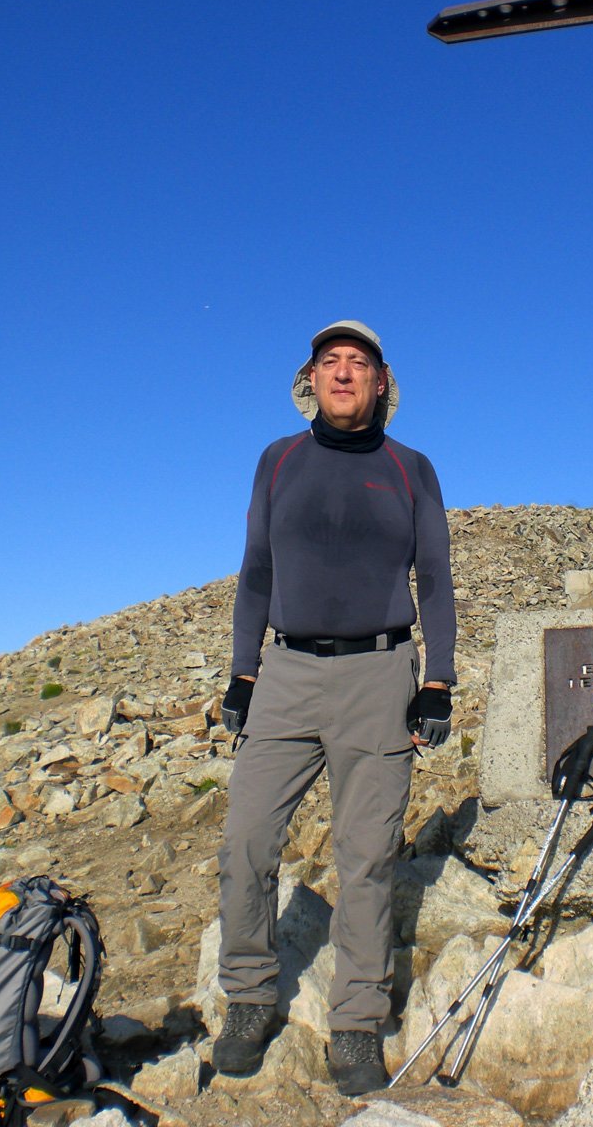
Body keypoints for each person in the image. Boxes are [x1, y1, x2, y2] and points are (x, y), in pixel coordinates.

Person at [211, 320, 456, 1095]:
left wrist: (438, 680)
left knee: (368, 858)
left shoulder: (411, 467)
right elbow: (255, 571)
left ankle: (355, 1022)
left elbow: (438, 580)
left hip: (379, 677)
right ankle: (249, 996)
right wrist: (243, 672)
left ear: (383, 382)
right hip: (283, 673)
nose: (344, 373)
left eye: (359, 363)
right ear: (309, 380)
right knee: (247, 841)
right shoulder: (277, 461)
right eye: (330, 362)